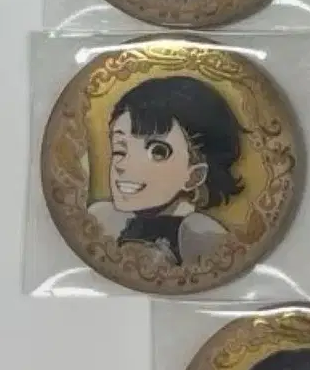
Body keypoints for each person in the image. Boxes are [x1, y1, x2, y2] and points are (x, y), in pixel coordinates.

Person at [88, 75, 243, 265]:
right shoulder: (104, 218)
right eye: (120, 150)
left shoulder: (200, 234)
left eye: (157, 152)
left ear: (195, 176)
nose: (122, 165)